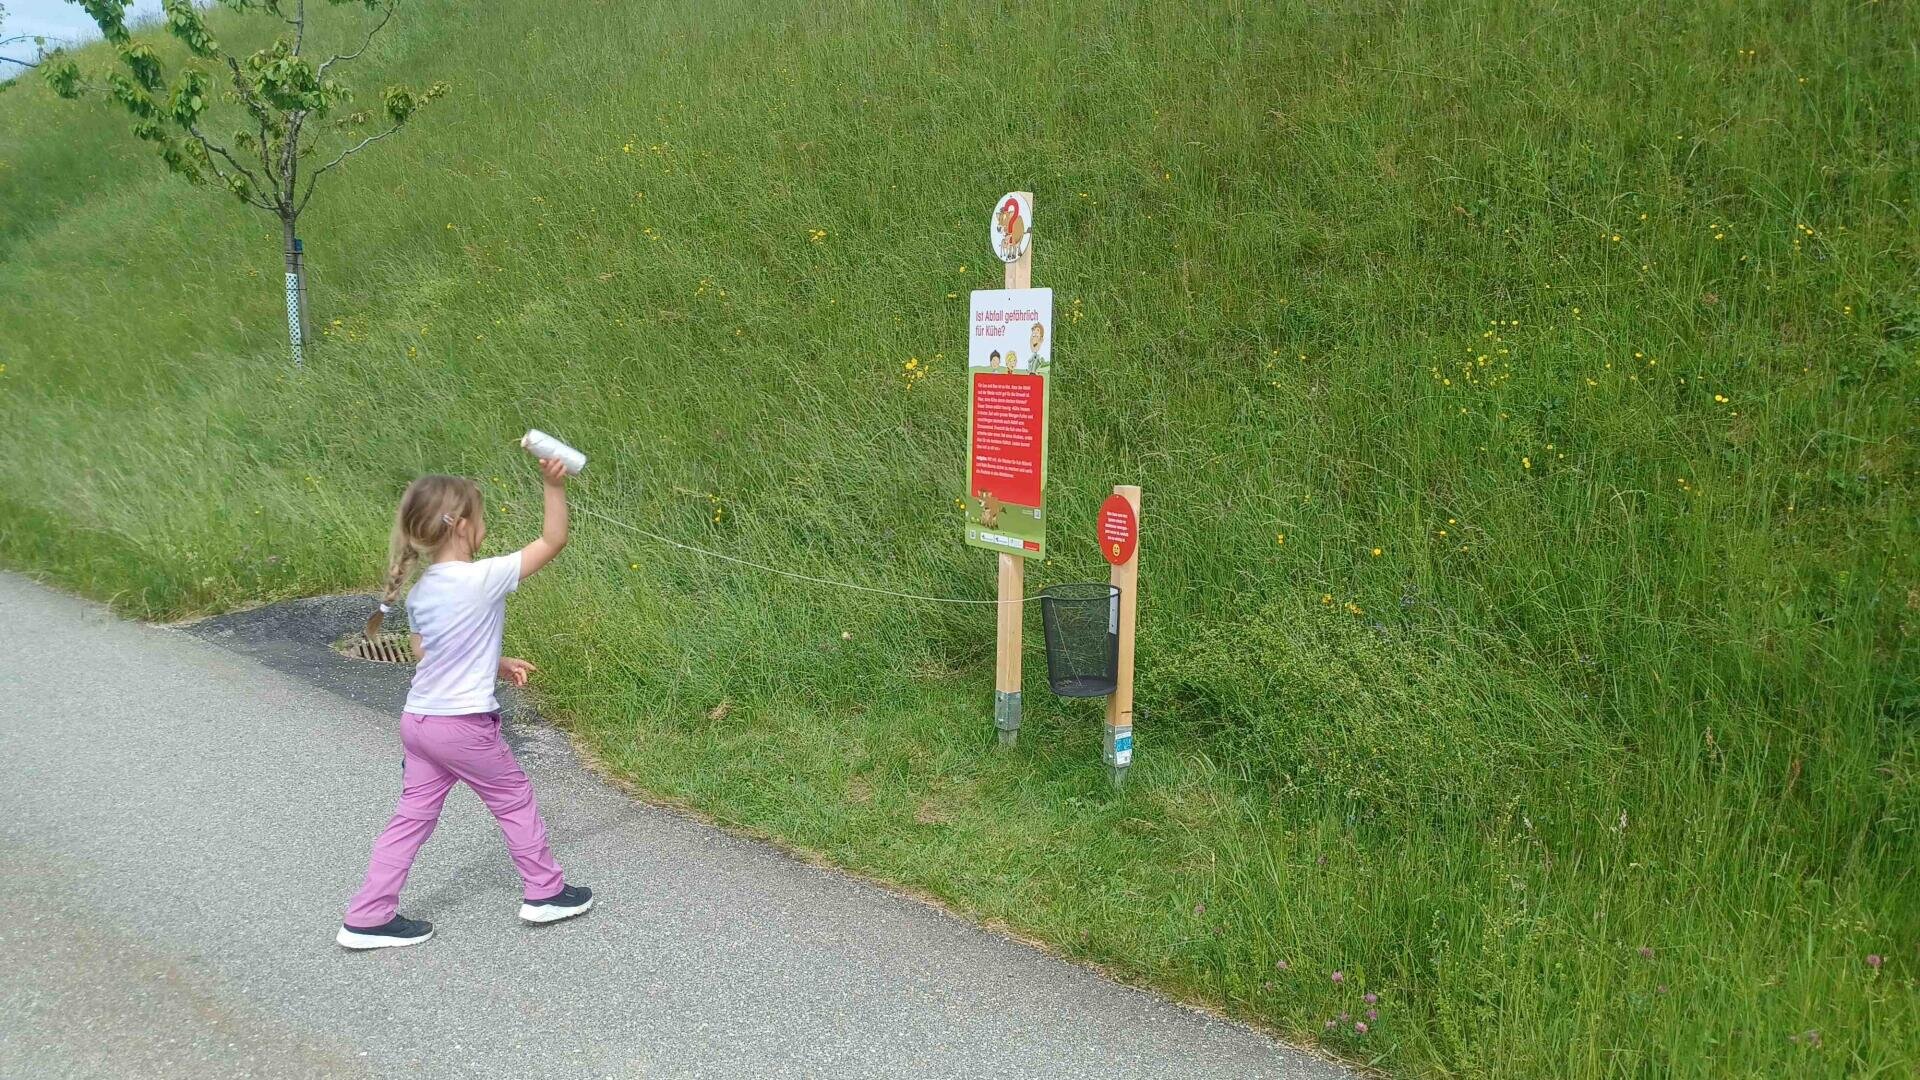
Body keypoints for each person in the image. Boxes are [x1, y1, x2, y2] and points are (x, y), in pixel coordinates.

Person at [336, 456, 591, 949]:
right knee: (512, 797)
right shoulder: (482, 577)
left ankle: (367, 916)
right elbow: (553, 540)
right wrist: (553, 485)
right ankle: (545, 892)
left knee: (412, 818)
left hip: (419, 721)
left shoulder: (420, 592)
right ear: (462, 525)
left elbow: (426, 652)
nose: (485, 525)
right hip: (462, 726)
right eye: (482, 516)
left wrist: (494, 661)